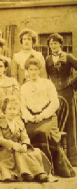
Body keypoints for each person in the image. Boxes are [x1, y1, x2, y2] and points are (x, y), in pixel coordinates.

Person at [21, 57, 75, 177]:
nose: (33, 72)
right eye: (31, 69)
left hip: (48, 116)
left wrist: (42, 115)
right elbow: (22, 106)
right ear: (27, 71)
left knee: (42, 132)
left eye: (36, 69)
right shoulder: (24, 87)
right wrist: (29, 116)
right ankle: (32, 168)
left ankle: (46, 168)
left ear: (39, 70)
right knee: (25, 134)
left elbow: (55, 103)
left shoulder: (47, 83)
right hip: (31, 117)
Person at [0, 96, 50, 182]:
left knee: (35, 152)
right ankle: (35, 173)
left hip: (19, 150)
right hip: (5, 151)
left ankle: (34, 173)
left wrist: (25, 144)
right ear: (4, 110)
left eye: (15, 109)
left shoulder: (19, 122)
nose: (12, 112)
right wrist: (12, 144)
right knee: (18, 152)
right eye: (10, 109)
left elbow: (25, 137)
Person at [45, 33, 77, 166]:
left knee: (70, 124)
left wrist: (73, 83)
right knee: (55, 123)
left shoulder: (68, 57)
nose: (53, 46)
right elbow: (46, 76)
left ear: (61, 44)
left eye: (56, 43)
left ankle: (73, 159)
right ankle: (57, 157)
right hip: (53, 93)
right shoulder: (47, 59)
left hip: (67, 93)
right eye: (51, 43)